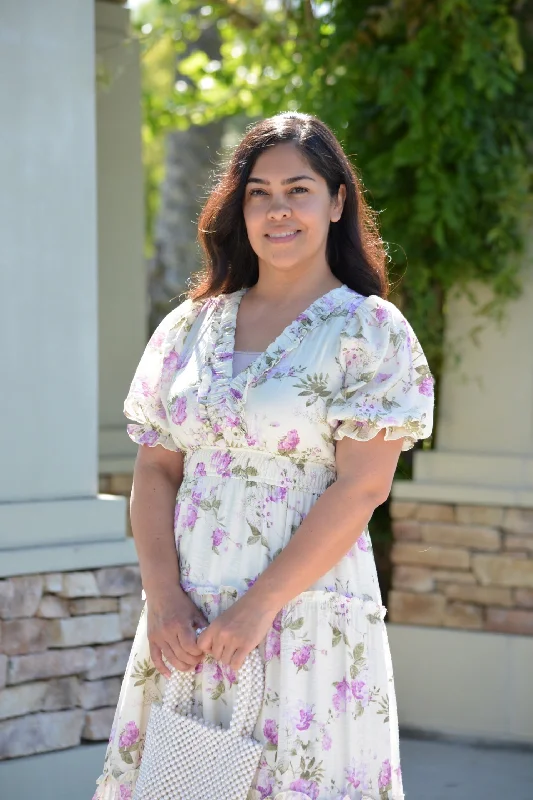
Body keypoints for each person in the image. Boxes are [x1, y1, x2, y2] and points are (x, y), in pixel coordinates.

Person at [92, 112, 434, 800]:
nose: (277, 210)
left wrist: (258, 609)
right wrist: (163, 599)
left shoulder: (367, 331)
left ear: (337, 202)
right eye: (258, 193)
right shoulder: (191, 324)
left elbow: (361, 488)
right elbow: (157, 469)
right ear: (238, 208)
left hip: (305, 613)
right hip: (185, 617)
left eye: (297, 190)